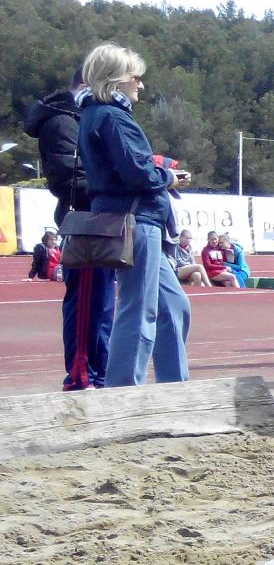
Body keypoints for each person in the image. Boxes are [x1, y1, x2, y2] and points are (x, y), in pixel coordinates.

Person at [78, 44, 192, 387]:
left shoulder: (96, 114)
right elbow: (138, 174)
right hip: (135, 220)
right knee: (139, 309)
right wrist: (168, 177)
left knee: (174, 305)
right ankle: (125, 391)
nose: (140, 84)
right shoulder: (112, 117)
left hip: (134, 219)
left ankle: (174, 388)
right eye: (135, 77)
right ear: (116, 79)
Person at [28, 66, 114, 389]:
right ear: (91, 83)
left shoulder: (83, 117)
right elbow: (69, 180)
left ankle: (98, 374)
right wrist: (117, 185)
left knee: (103, 306)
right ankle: (83, 377)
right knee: (89, 306)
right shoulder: (63, 122)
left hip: (102, 223)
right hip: (86, 225)